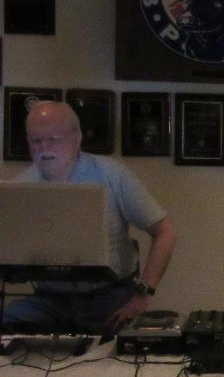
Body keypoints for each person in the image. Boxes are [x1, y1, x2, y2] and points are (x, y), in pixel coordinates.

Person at [3, 101, 176, 335]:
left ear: (77, 139)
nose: (44, 147)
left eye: (54, 139)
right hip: (49, 299)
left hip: (109, 296)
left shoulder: (111, 174)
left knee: (117, 347)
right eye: (36, 140)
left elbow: (165, 231)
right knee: (9, 327)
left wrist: (143, 294)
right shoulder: (20, 188)